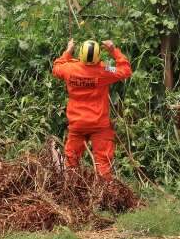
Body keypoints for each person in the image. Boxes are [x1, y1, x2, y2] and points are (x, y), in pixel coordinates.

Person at [52, 39, 132, 179]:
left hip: (77, 124)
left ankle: (71, 193)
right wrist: (114, 51)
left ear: (81, 54)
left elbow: (57, 67)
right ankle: (105, 195)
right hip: (99, 125)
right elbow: (125, 70)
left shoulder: (69, 69)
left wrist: (68, 51)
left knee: (71, 162)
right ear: (98, 56)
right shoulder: (104, 70)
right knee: (103, 163)